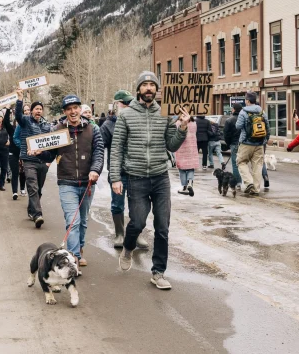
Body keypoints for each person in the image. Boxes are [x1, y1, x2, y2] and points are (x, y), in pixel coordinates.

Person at [110, 71, 190, 290]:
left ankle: (158, 272)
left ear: (157, 90)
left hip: (160, 177)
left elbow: (171, 146)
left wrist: (182, 127)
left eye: (152, 85)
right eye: (144, 85)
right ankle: (128, 247)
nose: (148, 88)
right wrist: (115, 177)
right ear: (138, 90)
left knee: (162, 227)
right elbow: (116, 149)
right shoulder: (126, 116)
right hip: (136, 178)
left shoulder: (164, 115)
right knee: (137, 222)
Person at [32, 94, 103, 267]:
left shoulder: (93, 129)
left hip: (87, 183)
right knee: (73, 220)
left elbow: (99, 152)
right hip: (66, 182)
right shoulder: (57, 129)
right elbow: (51, 153)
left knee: (83, 221)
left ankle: (79, 248)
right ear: (65, 111)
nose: (73, 111)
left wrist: (95, 170)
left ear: (80, 109)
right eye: (69, 109)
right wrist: (41, 153)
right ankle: (74, 257)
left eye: (75, 108)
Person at [100, 90, 148, 250]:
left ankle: (137, 234)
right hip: (118, 173)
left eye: (130, 103)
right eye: (125, 104)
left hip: (136, 172)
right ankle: (120, 234)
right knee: (117, 205)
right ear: (116, 105)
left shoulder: (138, 121)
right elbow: (99, 147)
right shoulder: (108, 125)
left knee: (137, 206)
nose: (128, 106)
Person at [16, 89, 52, 228]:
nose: (38, 111)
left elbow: (51, 144)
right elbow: (18, 115)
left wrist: (49, 161)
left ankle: (31, 210)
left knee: (39, 189)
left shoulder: (47, 126)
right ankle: (38, 214)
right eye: (36, 109)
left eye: (40, 109)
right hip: (28, 160)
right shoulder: (25, 121)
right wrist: (20, 99)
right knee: (32, 186)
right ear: (31, 111)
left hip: (42, 161)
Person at [235, 92, 270, 197]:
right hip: (259, 143)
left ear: (248, 101)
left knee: (241, 162)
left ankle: (248, 182)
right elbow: (267, 127)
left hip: (246, 142)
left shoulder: (243, 112)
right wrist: (265, 140)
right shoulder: (262, 112)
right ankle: (255, 188)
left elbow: (238, 126)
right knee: (257, 165)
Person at [175, 117, 198, 196]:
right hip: (192, 148)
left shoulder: (178, 124)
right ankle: (190, 182)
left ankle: (184, 186)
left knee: (182, 169)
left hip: (181, 148)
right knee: (191, 167)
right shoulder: (194, 124)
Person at [5, 107, 24, 200]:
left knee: (23, 172)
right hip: (13, 153)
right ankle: (15, 192)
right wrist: (8, 110)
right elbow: (5, 122)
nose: (18, 124)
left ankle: (23, 189)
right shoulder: (11, 129)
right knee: (15, 172)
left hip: (24, 153)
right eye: (16, 122)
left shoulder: (25, 129)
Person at [223, 102, 243, 187]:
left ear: (234, 109)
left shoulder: (229, 120)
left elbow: (226, 134)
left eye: (232, 108)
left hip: (234, 144)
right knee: (243, 163)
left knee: (235, 164)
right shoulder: (244, 119)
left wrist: (228, 144)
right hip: (244, 144)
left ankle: (238, 182)